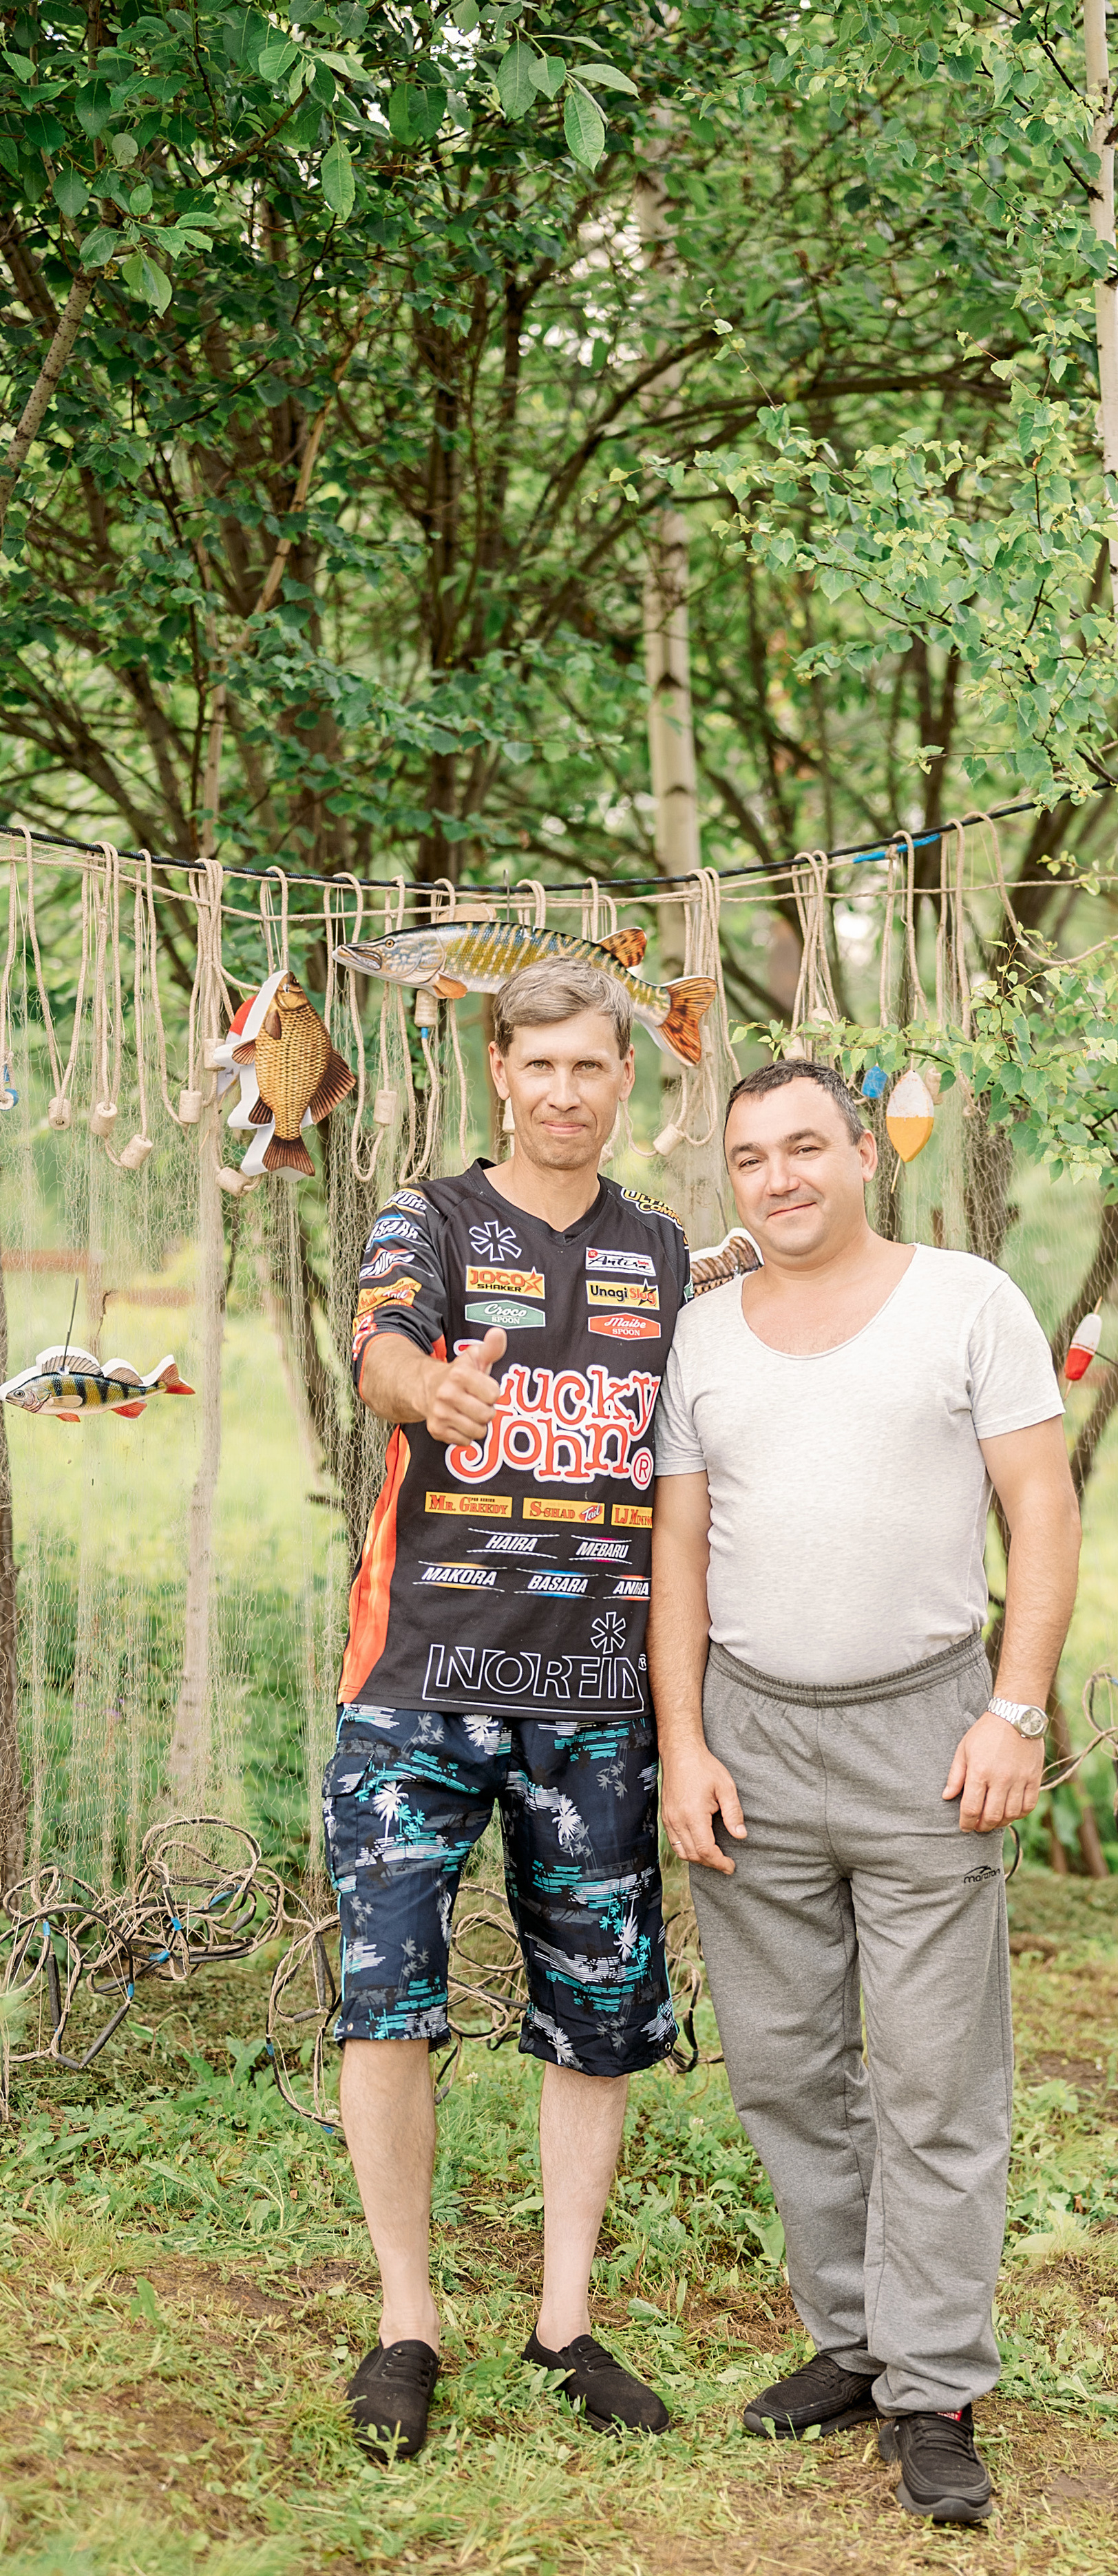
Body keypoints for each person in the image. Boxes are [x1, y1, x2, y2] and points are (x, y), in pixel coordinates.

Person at [651, 1058, 1082, 2526]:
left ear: (860, 1155)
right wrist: (684, 1745)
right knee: (782, 2071)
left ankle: (935, 2386)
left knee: (930, 2078)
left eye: (804, 1148)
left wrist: (1011, 1711)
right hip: (750, 1744)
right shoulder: (701, 1337)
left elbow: (1041, 1508)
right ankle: (850, 2341)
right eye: (750, 1158)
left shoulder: (967, 1304)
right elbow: (680, 1563)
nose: (779, 1178)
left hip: (926, 1735)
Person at [327, 956, 688, 2460]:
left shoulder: (661, 1254)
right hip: (417, 1684)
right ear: (499, 1073)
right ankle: (406, 2319)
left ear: (623, 1081)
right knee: (387, 1996)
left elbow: (696, 1466)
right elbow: (379, 1355)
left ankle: (561, 2320)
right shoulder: (428, 1215)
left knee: (594, 2019)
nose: (562, 1091)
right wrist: (431, 1394)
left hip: (598, 1697)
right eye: (537, 1065)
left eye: (589, 1067)